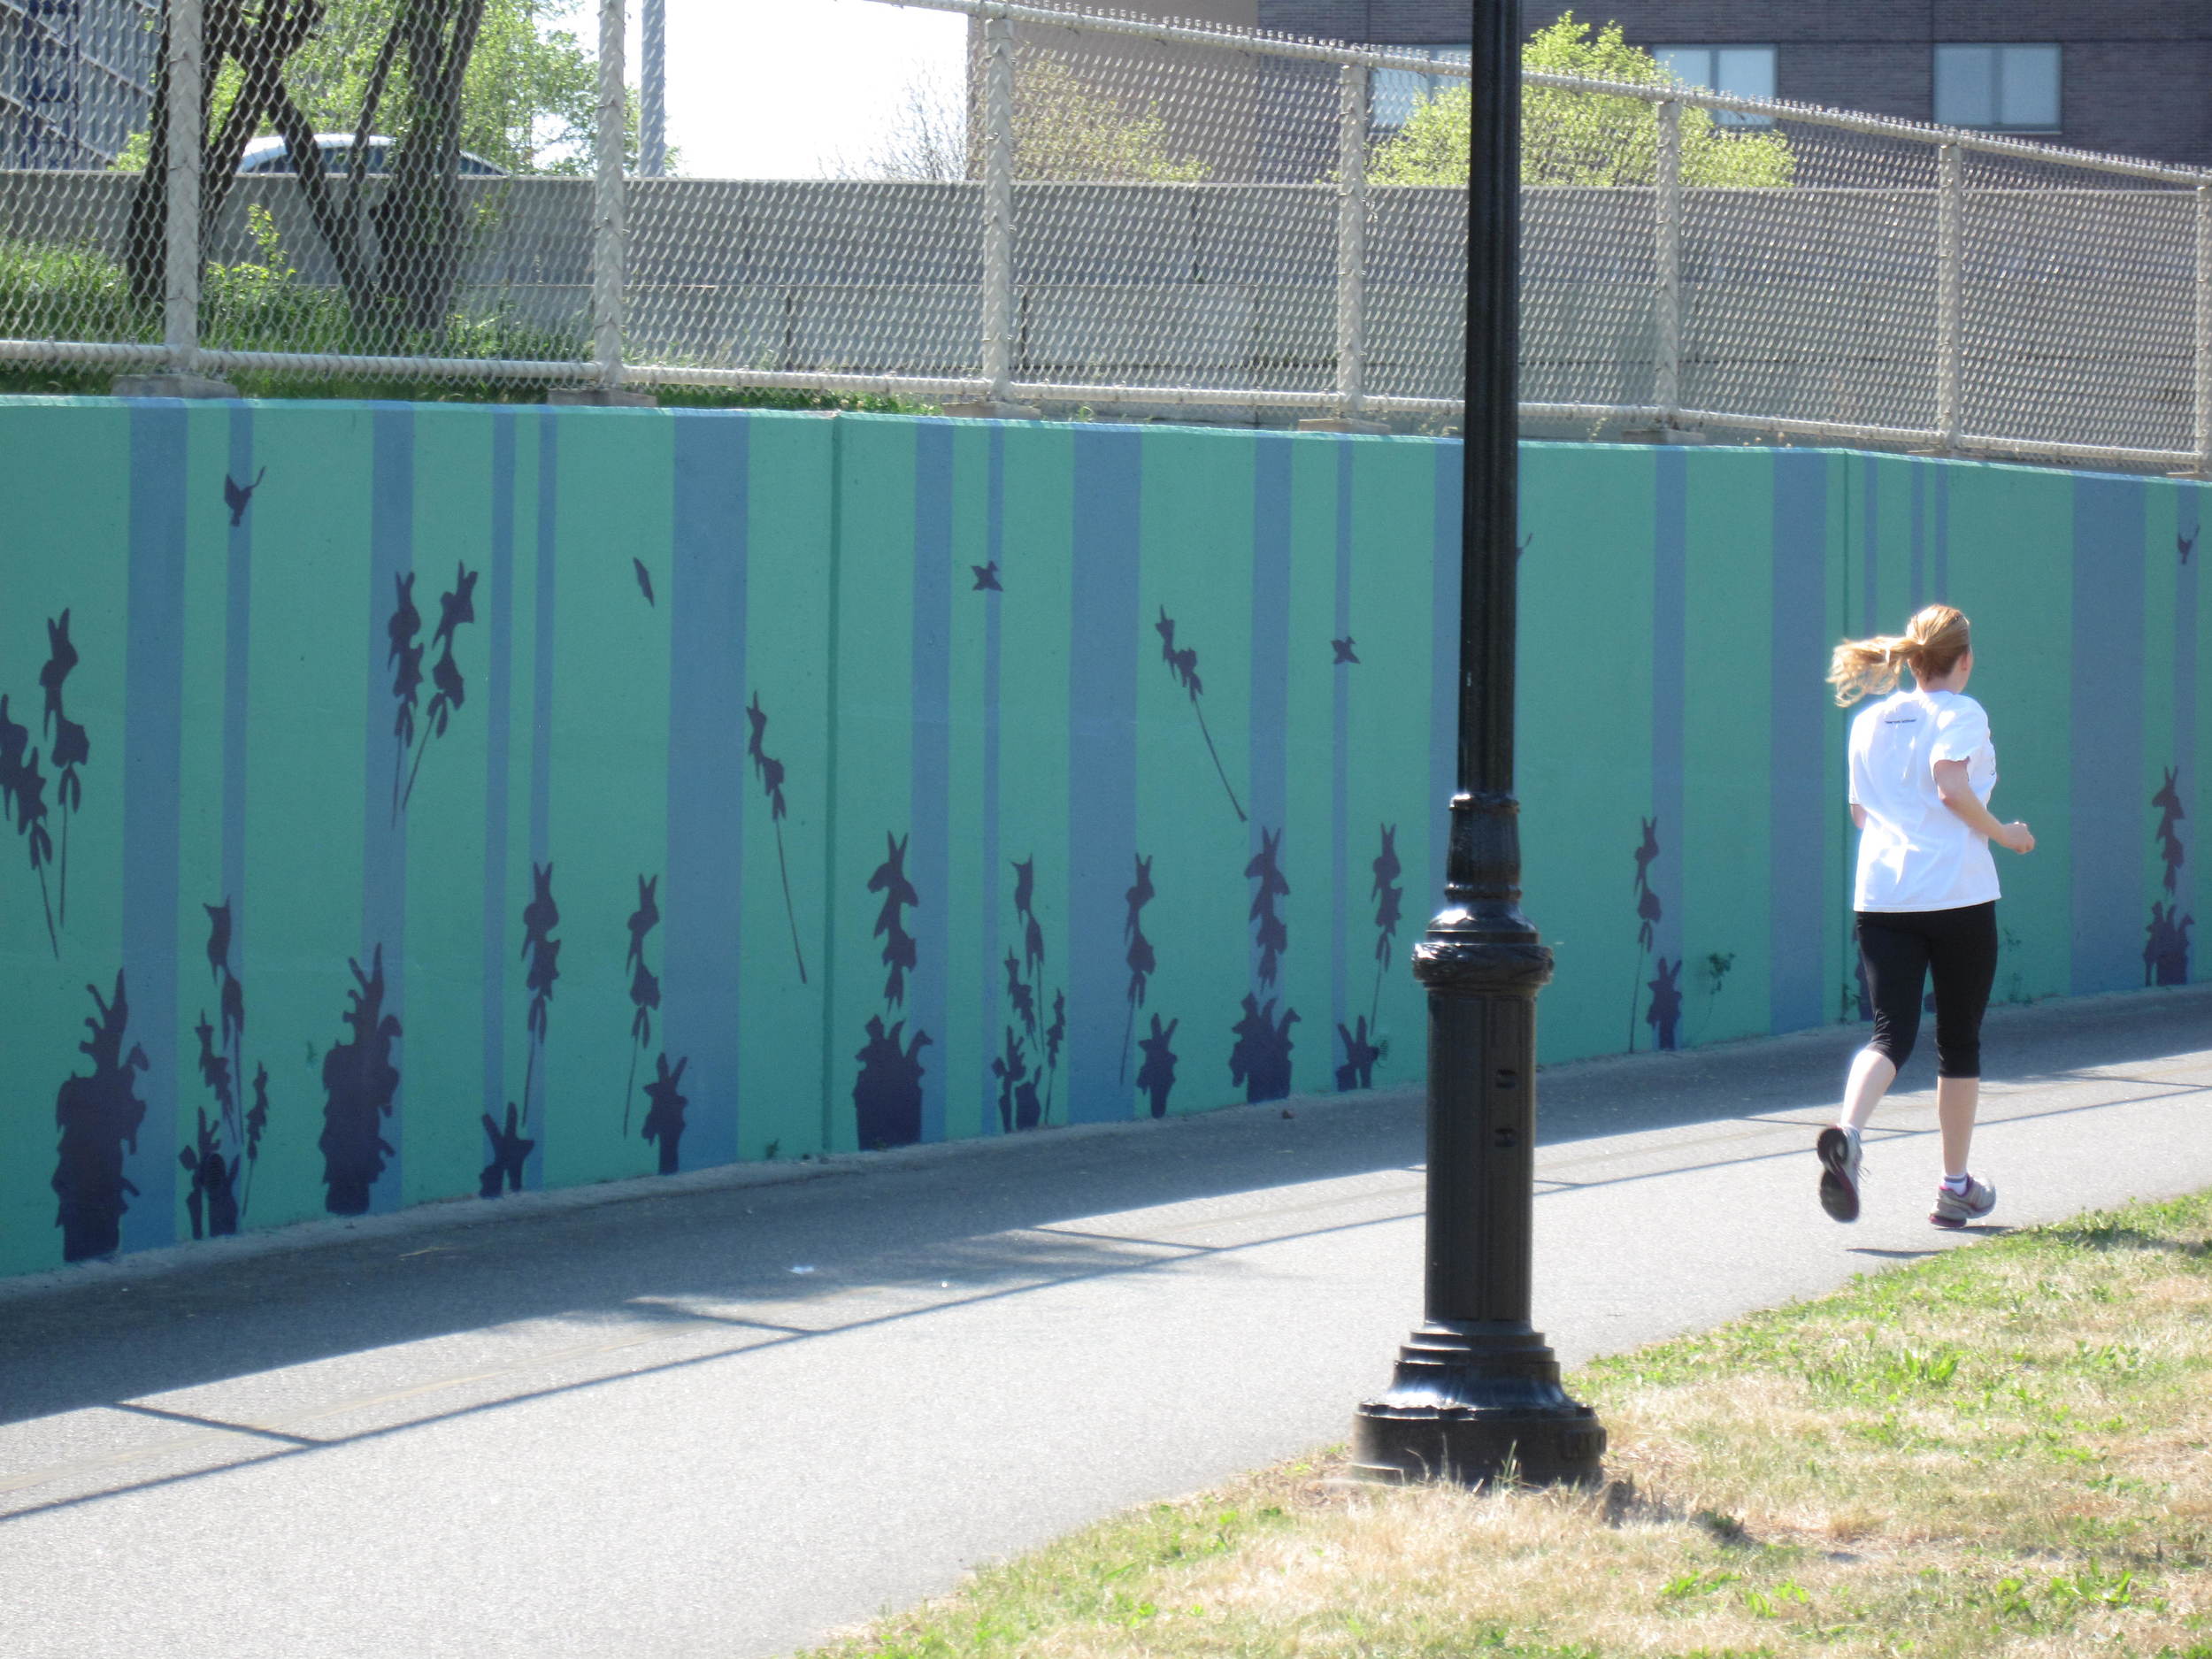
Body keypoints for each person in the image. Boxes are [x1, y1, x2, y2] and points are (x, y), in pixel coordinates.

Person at [1816, 604, 2035, 1228]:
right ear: (1963, 658)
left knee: (1890, 1034)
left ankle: (1849, 1133)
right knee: (1958, 1040)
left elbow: (1863, 814)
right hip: (1958, 894)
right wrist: (2004, 833)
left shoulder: (1868, 721)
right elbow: (1949, 785)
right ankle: (1954, 1186)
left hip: (1883, 897)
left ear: (1913, 660)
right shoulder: (1962, 712)